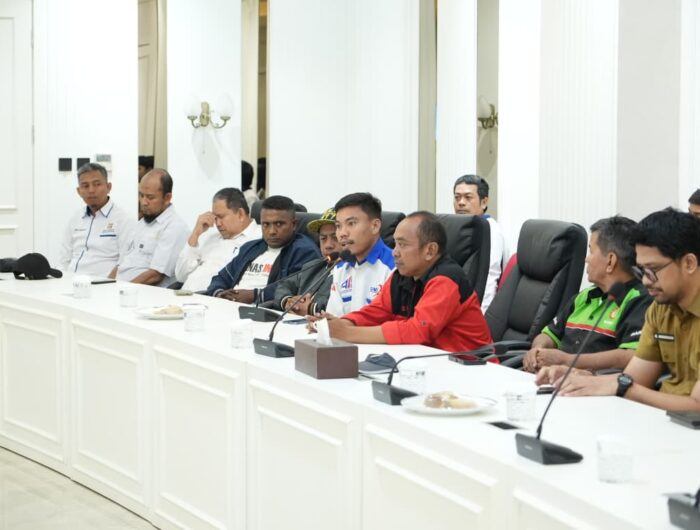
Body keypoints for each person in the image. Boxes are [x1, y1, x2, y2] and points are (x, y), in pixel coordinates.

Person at [536, 208, 700, 412]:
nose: (646, 281)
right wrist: (585, 377)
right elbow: (635, 378)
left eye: (653, 270)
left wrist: (620, 387)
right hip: (662, 419)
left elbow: (696, 407)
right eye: (641, 270)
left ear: (689, 263)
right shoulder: (660, 309)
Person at [325, 212, 492, 352]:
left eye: (403, 245)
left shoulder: (446, 279)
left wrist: (347, 333)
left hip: (472, 366)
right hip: (429, 361)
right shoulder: (401, 276)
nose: (395, 252)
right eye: (395, 244)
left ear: (430, 250)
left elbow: (418, 330)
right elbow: (376, 311)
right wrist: (341, 324)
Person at [522, 216, 652, 373]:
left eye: (591, 251)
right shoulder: (584, 296)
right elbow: (549, 334)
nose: (586, 259)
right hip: (554, 379)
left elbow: (631, 356)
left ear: (610, 261)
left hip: (594, 385)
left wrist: (567, 361)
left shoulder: (640, 299)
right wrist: (538, 350)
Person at [206, 195, 321, 303]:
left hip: (264, 310)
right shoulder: (250, 248)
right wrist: (219, 293)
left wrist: (255, 295)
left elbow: (292, 289)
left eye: (279, 224)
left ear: (294, 224)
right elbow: (222, 277)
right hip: (228, 305)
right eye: (266, 224)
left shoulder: (305, 252)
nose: (271, 231)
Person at [174, 188, 261, 292]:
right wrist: (195, 233)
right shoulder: (212, 238)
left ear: (240, 214)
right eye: (215, 218)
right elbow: (181, 276)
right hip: (184, 294)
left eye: (221, 217)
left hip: (214, 296)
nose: (217, 224)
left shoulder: (259, 238)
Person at [58, 162, 136, 277]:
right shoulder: (75, 218)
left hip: (103, 284)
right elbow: (64, 258)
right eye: (85, 186)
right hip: (70, 281)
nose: (91, 190)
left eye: (97, 184)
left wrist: (108, 283)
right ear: (79, 191)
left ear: (109, 187)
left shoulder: (124, 219)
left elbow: (125, 262)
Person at [324, 193, 395, 316]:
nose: (342, 233)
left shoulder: (395, 268)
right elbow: (334, 318)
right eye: (338, 226)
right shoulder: (340, 268)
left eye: (351, 223)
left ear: (375, 226)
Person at [116, 169, 189, 286]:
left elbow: (155, 275)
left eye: (150, 197)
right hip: (120, 287)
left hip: (140, 292)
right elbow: (120, 265)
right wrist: (106, 285)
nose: (143, 202)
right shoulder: (140, 224)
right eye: (141, 195)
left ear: (167, 198)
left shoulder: (175, 227)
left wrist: (121, 289)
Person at [453, 174, 507, 312]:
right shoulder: (458, 226)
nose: (461, 202)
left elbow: (489, 277)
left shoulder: (490, 229)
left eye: (468, 197)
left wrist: (480, 316)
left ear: (484, 202)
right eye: (457, 197)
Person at [273, 208, 342, 315]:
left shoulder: (352, 272)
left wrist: (311, 308)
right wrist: (287, 301)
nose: (328, 245)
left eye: (335, 238)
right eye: (323, 238)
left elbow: (342, 307)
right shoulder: (313, 266)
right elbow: (284, 285)